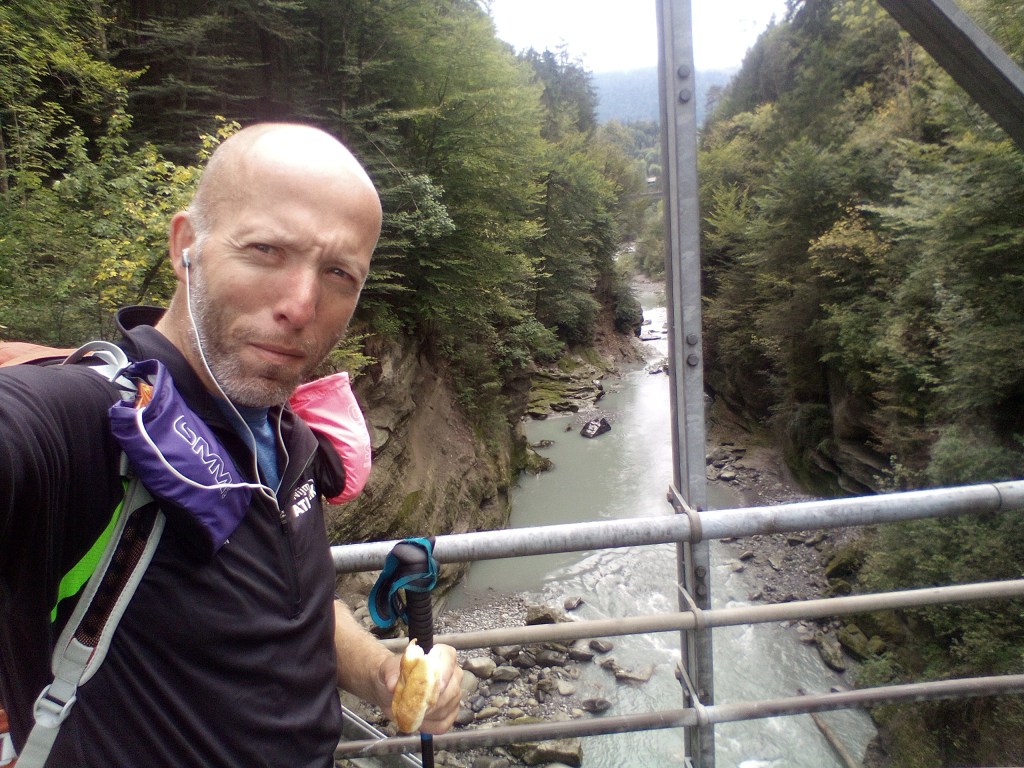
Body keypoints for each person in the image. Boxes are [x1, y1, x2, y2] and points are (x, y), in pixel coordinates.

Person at [0, 123, 462, 766]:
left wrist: (381, 675)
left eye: (339, 273)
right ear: (185, 246)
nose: (301, 305)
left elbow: (292, 604)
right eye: (267, 249)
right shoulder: (92, 424)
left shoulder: (287, 435)